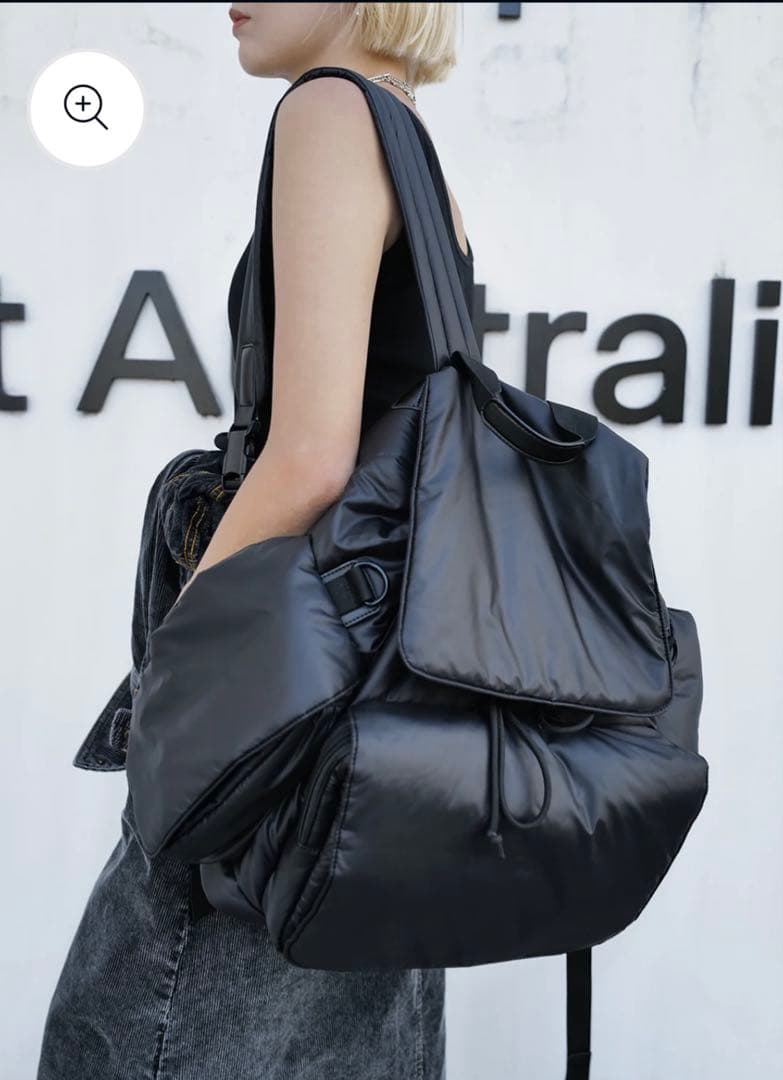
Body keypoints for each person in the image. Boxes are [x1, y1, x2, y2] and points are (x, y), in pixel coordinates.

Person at [36, 4, 474, 1077]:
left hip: (283, 712)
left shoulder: (328, 112)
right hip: (386, 734)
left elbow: (312, 456)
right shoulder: (411, 139)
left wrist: (184, 670)